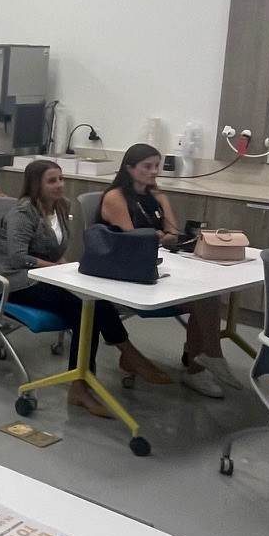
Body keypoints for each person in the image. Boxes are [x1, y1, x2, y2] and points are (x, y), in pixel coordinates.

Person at [0, 159, 171, 416]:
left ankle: (89, 380)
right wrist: (56, 268)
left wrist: (62, 267)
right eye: (52, 181)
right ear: (36, 185)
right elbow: (17, 257)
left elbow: (55, 250)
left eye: (61, 179)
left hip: (45, 276)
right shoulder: (22, 214)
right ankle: (115, 364)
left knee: (94, 303)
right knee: (83, 310)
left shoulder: (60, 207)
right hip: (16, 280)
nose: (59, 185)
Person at [99, 144, 232, 398]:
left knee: (207, 296)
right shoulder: (115, 197)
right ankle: (209, 358)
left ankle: (199, 367)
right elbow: (133, 239)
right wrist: (158, 235)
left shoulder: (157, 197)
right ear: (129, 168)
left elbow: (173, 233)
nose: (154, 171)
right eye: (147, 166)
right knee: (202, 299)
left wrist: (158, 232)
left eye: (156, 165)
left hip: (155, 266)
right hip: (125, 274)